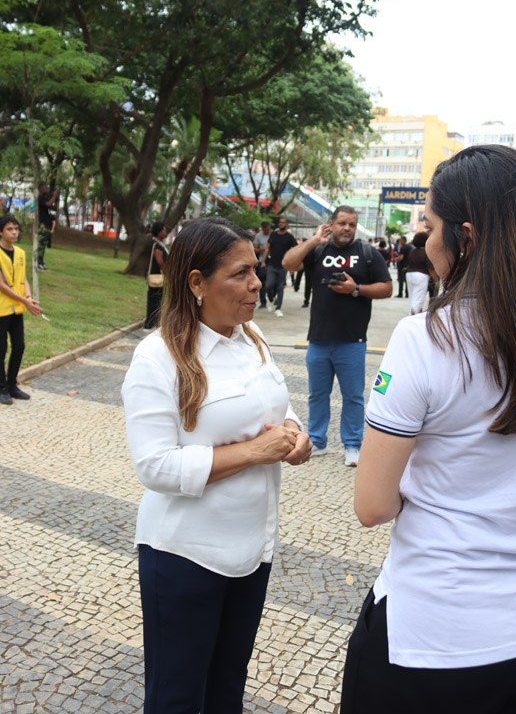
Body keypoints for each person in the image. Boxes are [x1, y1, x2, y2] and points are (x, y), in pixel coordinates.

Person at [340, 145, 516, 714]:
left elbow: (372, 504)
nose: (424, 240)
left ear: (465, 237)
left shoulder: (425, 339)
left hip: (430, 635)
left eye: (429, 225)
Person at [122, 217, 312, 713]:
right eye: (240, 273)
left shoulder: (252, 338)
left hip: (252, 549)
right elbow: (154, 465)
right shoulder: (158, 357)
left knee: (227, 688)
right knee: (178, 696)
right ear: (197, 282)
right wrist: (255, 452)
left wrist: (294, 432)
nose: (257, 283)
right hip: (185, 555)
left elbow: (275, 404)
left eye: (256, 269)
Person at [283, 206, 392, 467]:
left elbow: (387, 288)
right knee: (317, 395)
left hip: (352, 339)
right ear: (331, 224)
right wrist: (313, 240)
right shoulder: (319, 251)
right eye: (342, 223)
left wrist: (356, 289)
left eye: (352, 224)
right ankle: (317, 441)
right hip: (318, 338)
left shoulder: (367, 254)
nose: (347, 228)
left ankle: (352, 444)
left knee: (353, 396)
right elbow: (288, 263)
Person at [0, 215, 41, 404]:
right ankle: (2, 388)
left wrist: (28, 297)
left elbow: (23, 279)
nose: (14, 232)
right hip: (2, 309)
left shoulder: (20, 253)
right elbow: (2, 285)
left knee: (19, 346)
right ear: (1, 232)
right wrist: (24, 301)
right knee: (1, 349)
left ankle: (12, 385)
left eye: (16, 229)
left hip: (17, 309)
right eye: (9, 229)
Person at [261, 216, 296, 317]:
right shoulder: (273, 235)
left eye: (283, 222)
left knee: (280, 287)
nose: (281, 224)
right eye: (280, 222)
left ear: (286, 224)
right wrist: (263, 261)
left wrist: (292, 266)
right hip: (272, 265)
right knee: (268, 285)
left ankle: (278, 308)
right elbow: (267, 248)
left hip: (283, 266)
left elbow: (294, 252)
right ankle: (271, 300)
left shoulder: (290, 237)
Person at [404, 231, 438, 314]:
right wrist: (436, 280)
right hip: (421, 276)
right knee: (418, 298)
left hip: (409, 274)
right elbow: (430, 268)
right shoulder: (426, 252)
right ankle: (414, 314)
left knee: (412, 297)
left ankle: (411, 313)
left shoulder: (412, 251)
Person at [144, 221, 168, 330]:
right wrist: (167, 273)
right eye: (163, 230)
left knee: (156, 299)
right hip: (156, 275)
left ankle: (154, 322)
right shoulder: (156, 245)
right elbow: (160, 262)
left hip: (156, 275)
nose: (165, 232)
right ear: (159, 231)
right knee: (155, 300)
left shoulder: (158, 243)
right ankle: (150, 323)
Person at [37, 183, 59, 270]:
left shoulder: (45, 199)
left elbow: (54, 208)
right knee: (41, 244)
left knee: (44, 244)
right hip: (42, 224)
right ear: (40, 189)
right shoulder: (40, 198)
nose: (47, 190)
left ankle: (41, 263)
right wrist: (54, 196)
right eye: (45, 189)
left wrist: (56, 199)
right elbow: (49, 204)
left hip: (47, 224)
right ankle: (38, 263)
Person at [253, 220, 272, 308]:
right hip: (262, 260)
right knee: (262, 281)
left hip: (273, 260)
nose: (266, 231)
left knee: (272, 282)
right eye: (265, 230)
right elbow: (255, 249)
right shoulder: (258, 236)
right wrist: (263, 249)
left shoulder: (273, 234)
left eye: (267, 229)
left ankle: (272, 296)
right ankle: (263, 301)